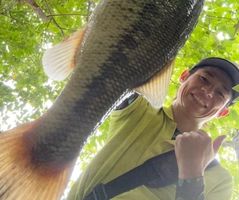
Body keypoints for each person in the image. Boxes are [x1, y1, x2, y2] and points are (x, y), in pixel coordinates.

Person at [67, 57, 239, 200]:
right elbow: (115, 69)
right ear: (184, 76)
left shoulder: (219, 179)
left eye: (220, 94)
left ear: (223, 112)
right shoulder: (138, 107)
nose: (208, 91)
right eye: (204, 79)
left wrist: (192, 174)